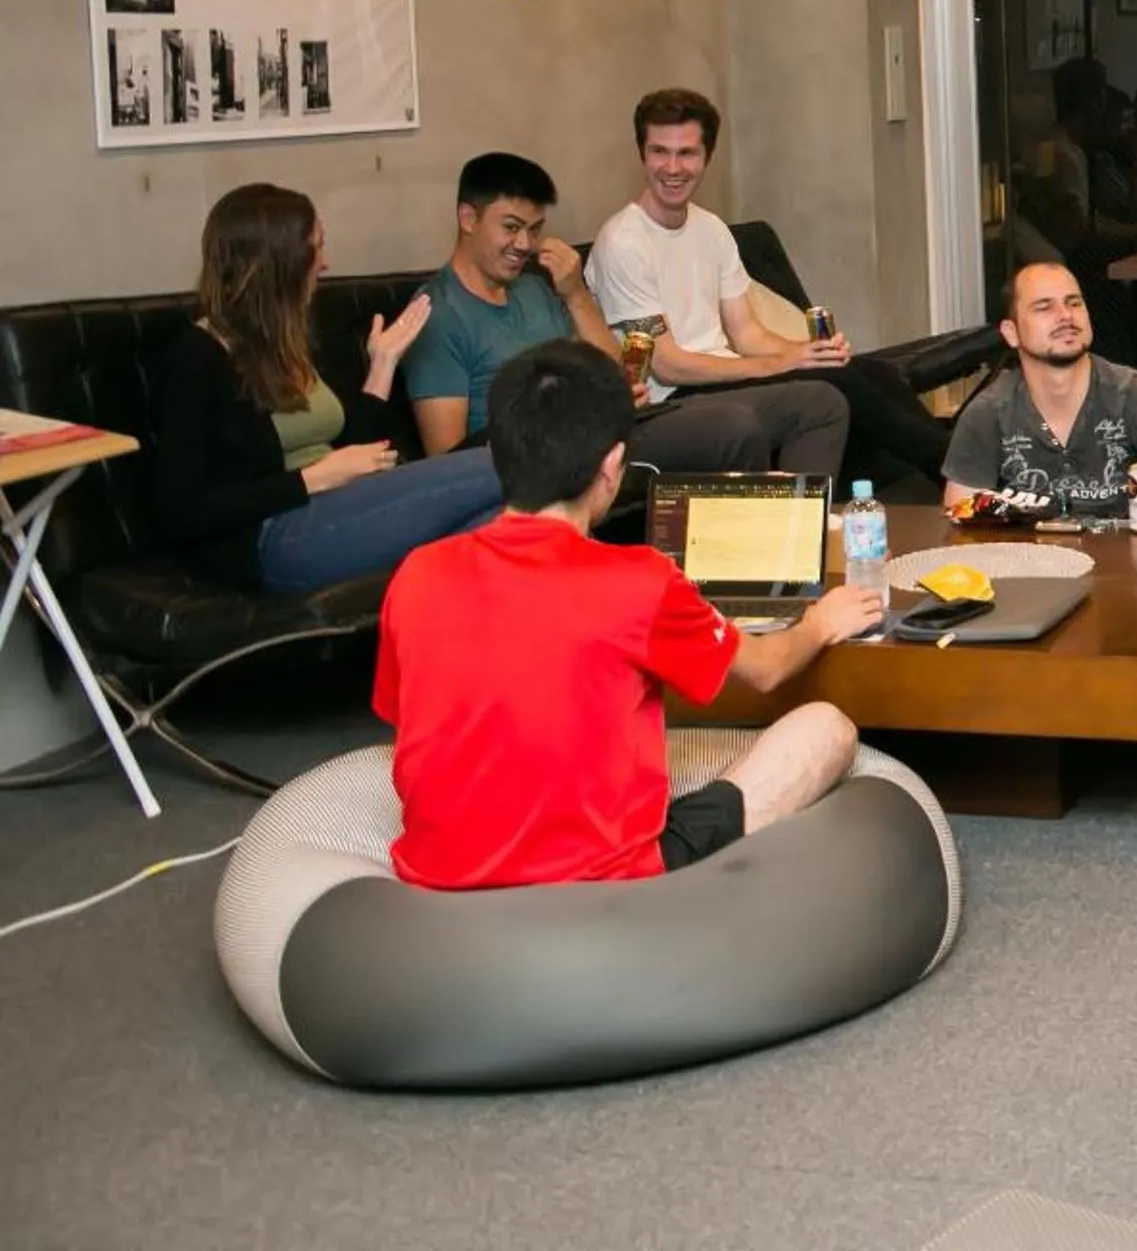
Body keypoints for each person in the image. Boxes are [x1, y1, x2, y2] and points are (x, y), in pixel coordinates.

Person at [374, 339, 884, 890]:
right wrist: (821, 622)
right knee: (826, 728)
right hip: (606, 881)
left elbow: (407, 717)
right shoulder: (641, 581)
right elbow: (765, 670)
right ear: (613, 464)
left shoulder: (417, 573)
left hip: (440, 876)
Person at [402, 152, 850, 477]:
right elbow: (447, 458)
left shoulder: (535, 290)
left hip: (618, 423)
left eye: (534, 230)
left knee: (820, 403)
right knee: (733, 426)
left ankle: (799, 544)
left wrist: (577, 295)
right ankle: (762, 566)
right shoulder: (437, 315)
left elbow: (620, 374)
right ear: (467, 217)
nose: (524, 245)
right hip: (555, 453)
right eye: (511, 228)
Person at [584, 88, 954, 481]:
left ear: (707, 156)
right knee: (833, 387)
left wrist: (808, 352)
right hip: (673, 398)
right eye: (660, 151)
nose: (672, 167)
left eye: (687, 153)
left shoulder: (710, 229)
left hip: (722, 376)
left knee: (870, 371)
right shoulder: (624, 242)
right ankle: (965, 479)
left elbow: (747, 333)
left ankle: (954, 477)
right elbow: (668, 365)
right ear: (642, 153)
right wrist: (781, 363)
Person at [152, 184, 501, 595]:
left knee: (504, 521)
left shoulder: (287, 343)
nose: (326, 263)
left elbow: (357, 448)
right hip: (275, 536)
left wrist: (383, 365)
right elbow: (182, 512)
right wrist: (312, 479)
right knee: (513, 463)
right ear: (279, 263)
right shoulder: (197, 356)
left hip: (341, 509)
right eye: (315, 249)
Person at [942, 262, 1137, 518]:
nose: (1066, 315)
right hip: (1026, 559)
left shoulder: (1135, 394)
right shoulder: (988, 412)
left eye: (1074, 303)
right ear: (1012, 333)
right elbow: (961, 529)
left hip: (1125, 559)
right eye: (1044, 307)